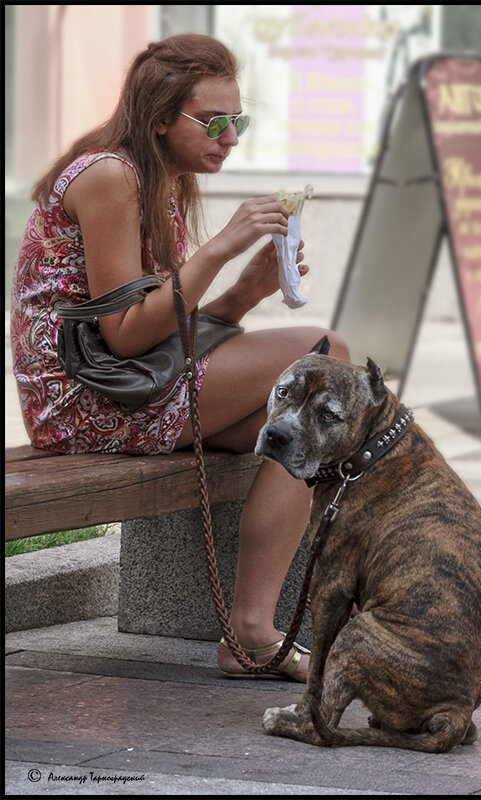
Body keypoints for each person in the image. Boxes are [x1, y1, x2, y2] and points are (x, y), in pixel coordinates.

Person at [10, 34, 350, 681]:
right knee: (327, 356)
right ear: (161, 117)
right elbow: (126, 338)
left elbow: (170, 338)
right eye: (214, 121)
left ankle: (249, 631)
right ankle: (251, 627)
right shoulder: (110, 176)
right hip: (83, 404)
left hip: (127, 387)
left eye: (238, 121)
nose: (230, 137)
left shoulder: (157, 178)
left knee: (310, 428)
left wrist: (247, 289)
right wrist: (220, 247)